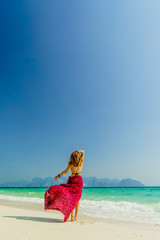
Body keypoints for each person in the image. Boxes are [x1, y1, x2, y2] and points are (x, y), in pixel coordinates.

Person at [44, 150, 85, 222]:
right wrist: (77, 151)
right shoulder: (81, 163)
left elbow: (65, 172)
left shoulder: (71, 164)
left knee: (71, 198)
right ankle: (75, 217)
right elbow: (83, 152)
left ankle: (72, 215)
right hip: (79, 181)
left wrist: (58, 176)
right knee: (77, 199)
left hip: (72, 180)